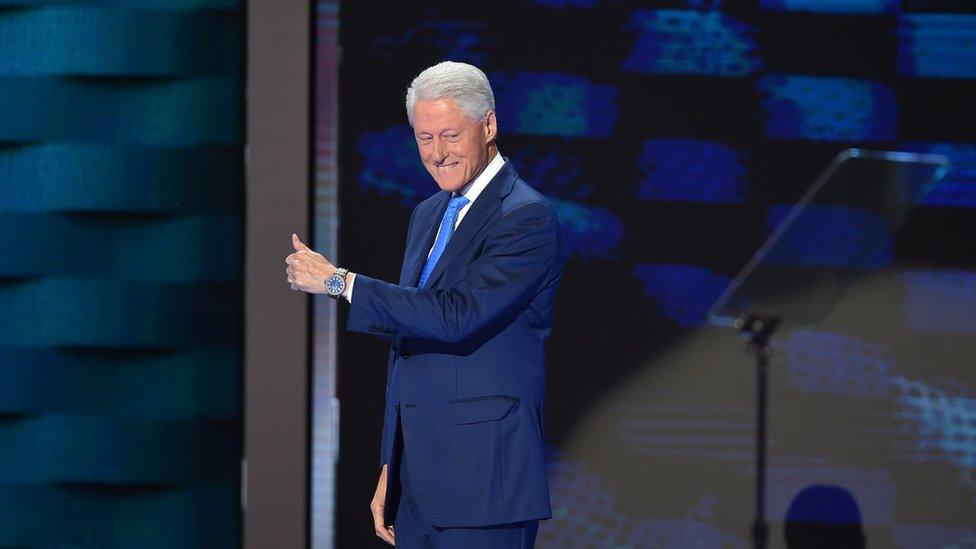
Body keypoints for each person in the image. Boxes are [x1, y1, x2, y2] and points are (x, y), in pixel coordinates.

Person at [285, 61, 564, 548]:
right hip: (417, 484)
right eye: (424, 138)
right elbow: (409, 342)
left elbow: (454, 316)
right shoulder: (429, 213)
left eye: (451, 135)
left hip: (484, 484)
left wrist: (338, 282)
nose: (437, 154)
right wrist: (393, 465)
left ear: (489, 125)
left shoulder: (525, 217)